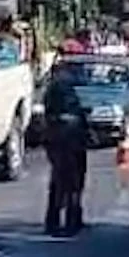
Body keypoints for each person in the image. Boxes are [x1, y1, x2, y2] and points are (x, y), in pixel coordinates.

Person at [41, 64, 90, 236]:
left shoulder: (56, 90)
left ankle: (59, 219)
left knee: (61, 181)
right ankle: (69, 219)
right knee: (70, 181)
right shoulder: (60, 90)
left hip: (63, 140)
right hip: (68, 140)